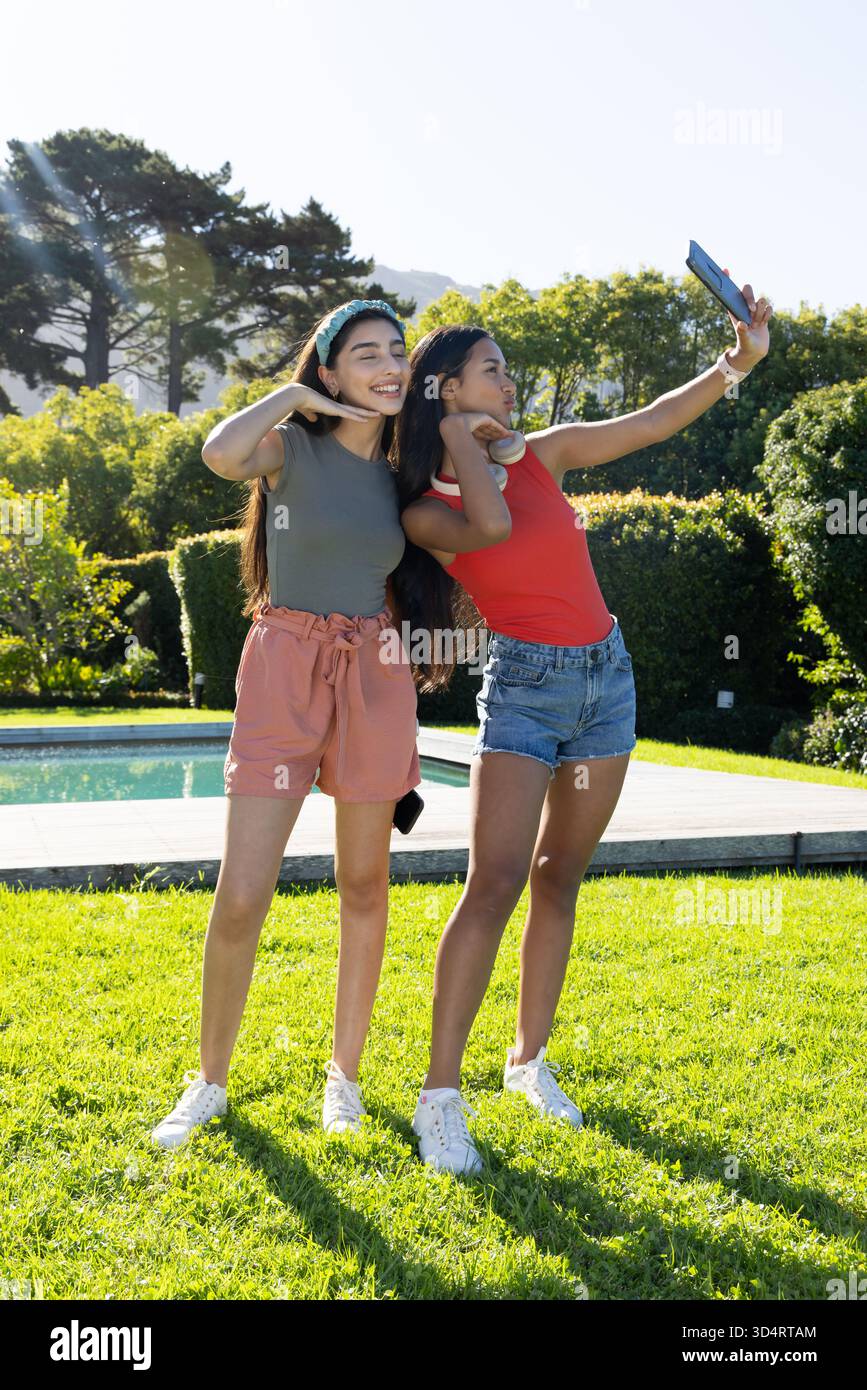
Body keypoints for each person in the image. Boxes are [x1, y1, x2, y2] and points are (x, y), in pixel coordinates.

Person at [392, 280, 772, 1172]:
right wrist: (458, 437)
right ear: (447, 387)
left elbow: (648, 422)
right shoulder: (421, 508)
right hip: (523, 689)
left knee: (559, 875)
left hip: (606, 680)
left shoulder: (547, 455)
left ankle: (528, 1062)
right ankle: (438, 1100)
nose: (509, 384)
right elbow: (483, 527)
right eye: (491, 372)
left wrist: (735, 363)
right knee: (493, 885)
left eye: (508, 372)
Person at [150, 299, 420, 1149]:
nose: (387, 365)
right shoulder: (289, 450)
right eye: (365, 354)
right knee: (243, 894)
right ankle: (209, 1081)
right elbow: (218, 451)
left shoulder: (405, 473)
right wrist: (294, 398)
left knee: (365, 886)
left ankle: (344, 1079)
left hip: (372, 673)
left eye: (397, 351)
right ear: (332, 371)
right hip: (283, 666)